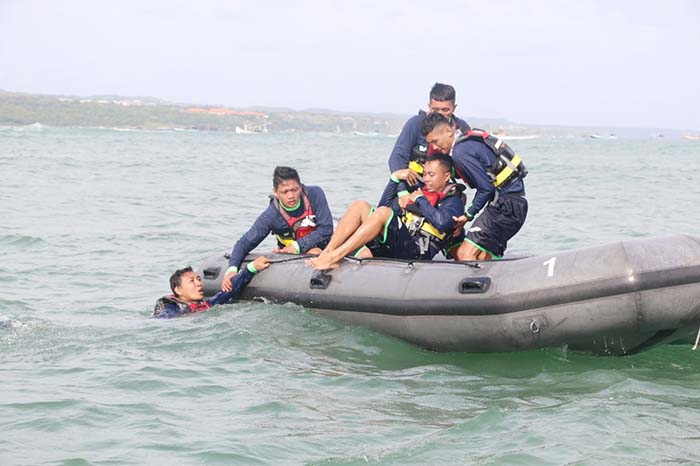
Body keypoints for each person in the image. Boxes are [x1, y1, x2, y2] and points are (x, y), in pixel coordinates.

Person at [307, 153, 465, 270]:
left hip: (417, 252)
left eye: (432, 175)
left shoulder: (453, 201)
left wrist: (420, 201)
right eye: (424, 174)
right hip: (400, 244)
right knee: (360, 205)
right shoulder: (420, 193)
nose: (427, 179)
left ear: (446, 176)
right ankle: (328, 252)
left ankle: (336, 256)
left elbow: (443, 223)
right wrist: (394, 179)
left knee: (383, 213)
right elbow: (384, 207)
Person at [420, 112, 528, 261]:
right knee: (480, 255)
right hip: (516, 205)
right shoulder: (468, 142)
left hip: (506, 206)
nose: (434, 147)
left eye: (435, 141)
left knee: (465, 254)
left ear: (449, 131)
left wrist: (468, 215)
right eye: (431, 143)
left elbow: (486, 189)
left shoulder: (460, 151)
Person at [221, 166, 333, 291]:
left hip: (327, 245)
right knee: (314, 251)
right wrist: (232, 270)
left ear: (300, 186)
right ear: (275, 192)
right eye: (285, 192)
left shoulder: (315, 194)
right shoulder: (271, 216)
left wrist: (296, 246)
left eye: (294, 190)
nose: (291, 196)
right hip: (297, 257)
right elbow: (244, 243)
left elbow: (327, 229)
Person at [388, 82, 471, 207]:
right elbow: (397, 158)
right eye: (435, 109)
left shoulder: (462, 129)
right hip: (412, 186)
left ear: (454, 108)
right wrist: (402, 192)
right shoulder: (415, 124)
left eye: (445, 110)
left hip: (441, 190)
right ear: (429, 106)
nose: (440, 114)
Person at [152, 256, 271, 318]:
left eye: (199, 279)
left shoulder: (207, 304)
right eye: (191, 281)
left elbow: (229, 290)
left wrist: (251, 268)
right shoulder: (169, 308)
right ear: (178, 289)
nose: (199, 283)